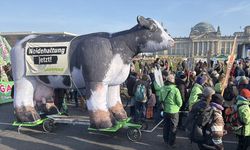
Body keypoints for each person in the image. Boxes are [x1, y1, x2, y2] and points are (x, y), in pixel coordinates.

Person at [160, 74, 182, 147]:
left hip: (165, 110)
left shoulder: (162, 88)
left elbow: (160, 99)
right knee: (173, 127)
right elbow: (179, 102)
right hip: (174, 111)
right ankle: (171, 143)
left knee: (166, 126)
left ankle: (165, 140)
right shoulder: (175, 90)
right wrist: (178, 106)